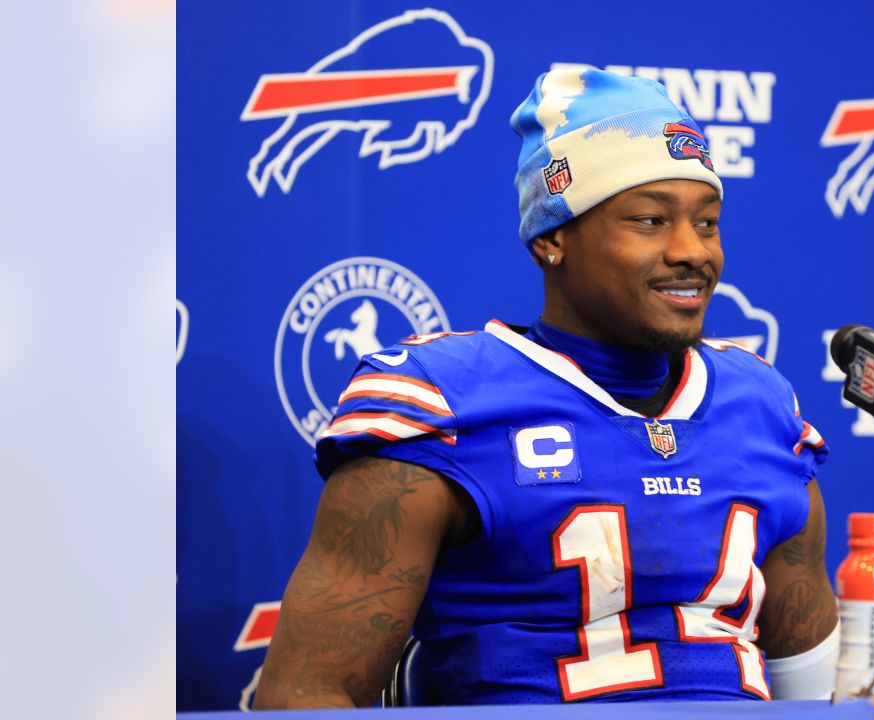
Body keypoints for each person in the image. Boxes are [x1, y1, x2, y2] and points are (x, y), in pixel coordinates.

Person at [253, 67, 838, 709]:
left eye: (707, 222)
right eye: (649, 221)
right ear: (553, 237)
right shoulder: (445, 400)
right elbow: (309, 690)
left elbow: (807, 694)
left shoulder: (760, 405)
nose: (691, 251)